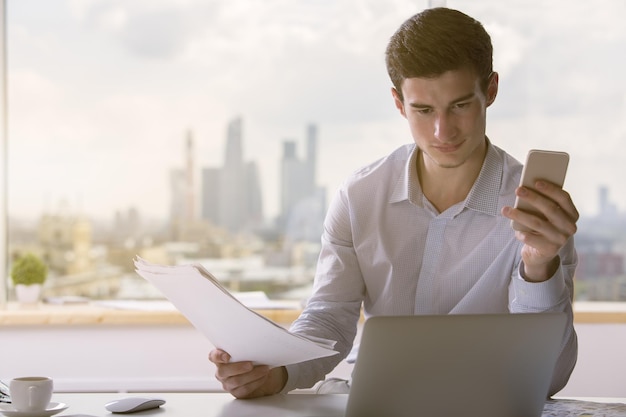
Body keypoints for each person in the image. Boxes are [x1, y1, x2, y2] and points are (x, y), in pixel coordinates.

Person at [209, 7, 579, 399]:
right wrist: (277, 372)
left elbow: (549, 377)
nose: (443, 131)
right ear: (399, 103)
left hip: (484, 404)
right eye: (423, 110)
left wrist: (538, 268)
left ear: (490, 91)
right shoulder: (360, 197)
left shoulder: (537, 212)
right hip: (375, 399)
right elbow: (330, 319)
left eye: (460, 105)